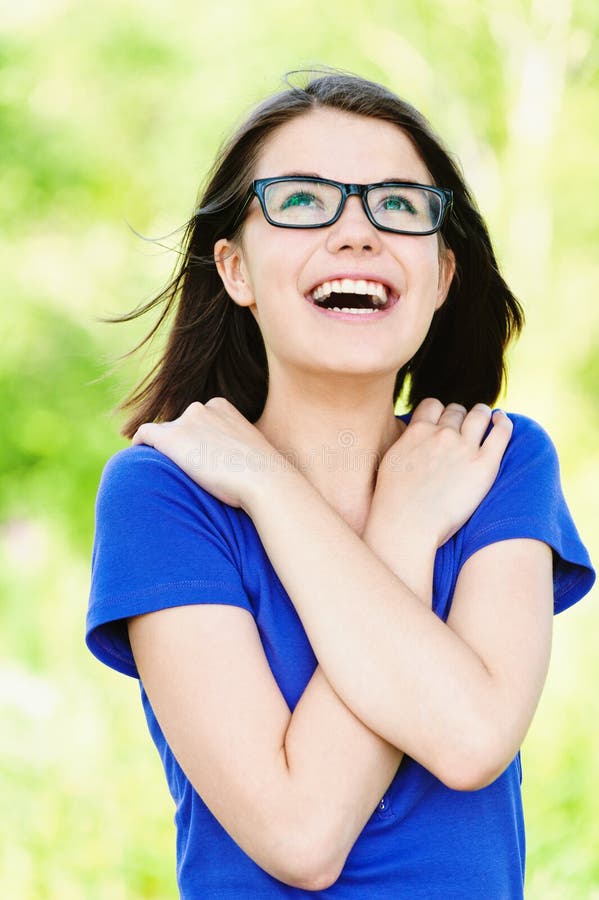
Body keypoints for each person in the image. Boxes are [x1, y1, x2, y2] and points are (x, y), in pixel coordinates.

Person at [86, 71, 595, 898]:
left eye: (397, 205)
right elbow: (301, 836)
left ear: (441, 275)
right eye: (302, 201)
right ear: (235, 270)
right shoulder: (163, 495)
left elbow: (470, 740)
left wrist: (276, 488)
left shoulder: (496, 461)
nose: (357, 233)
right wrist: (396, 522)